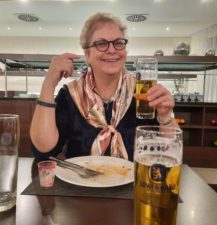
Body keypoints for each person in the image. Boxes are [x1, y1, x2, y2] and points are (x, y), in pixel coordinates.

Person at [30, 12, 178, 161]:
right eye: (101, 43)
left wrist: (165, 116)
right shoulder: (70, 95)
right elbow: (43, 152)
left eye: (118, 43)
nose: (112, 50)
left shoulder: (144, 93)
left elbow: (170, 154)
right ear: (87, 54)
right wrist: (48, 84)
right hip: (81, 182)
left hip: (134, 182)